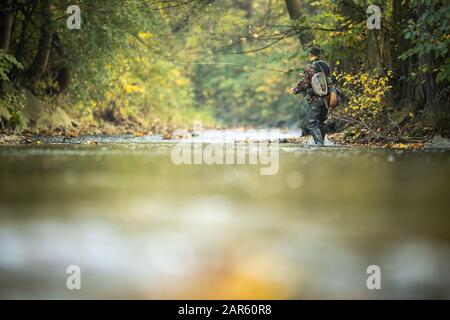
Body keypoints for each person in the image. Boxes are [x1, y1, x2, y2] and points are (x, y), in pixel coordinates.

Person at [292, 45, 332, 146]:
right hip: (327, 99)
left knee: (312, 123)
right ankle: (322, 144)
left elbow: (305, 83)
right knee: (321, 122)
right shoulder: (325, 65)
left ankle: (319, 145)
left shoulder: (310, 66)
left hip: (316, 99)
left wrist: (296, 90)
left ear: (311, 54)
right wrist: (305, 75)